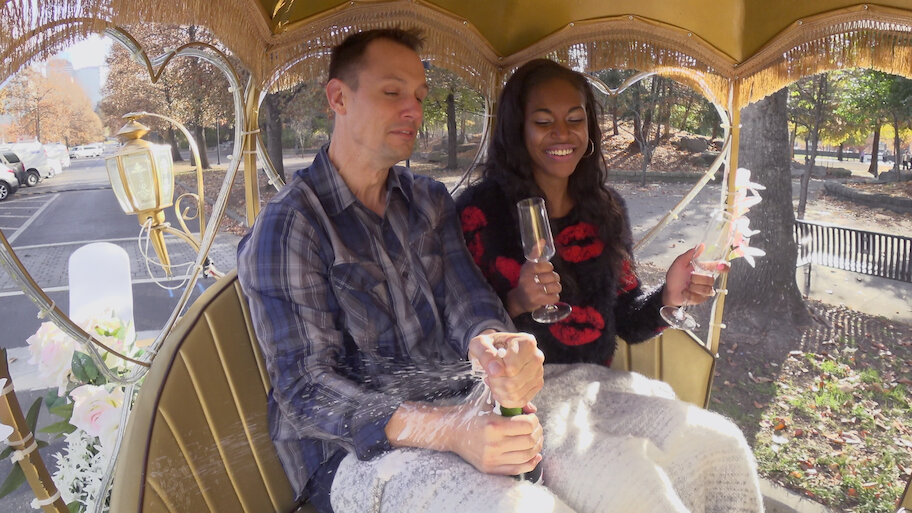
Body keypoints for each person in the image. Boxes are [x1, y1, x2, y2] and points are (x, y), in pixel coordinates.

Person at [238, 28, 550, 513]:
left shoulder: (428, 200)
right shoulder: (291, 224)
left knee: (592, 463)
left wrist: (493, 347)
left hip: (458, 412)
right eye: (392, 92)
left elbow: (469, 300)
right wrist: (449, 431)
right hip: (349, 457)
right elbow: (306, 388)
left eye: (420, 96)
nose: (413, 110)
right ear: (338, 98)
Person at [455, 58, 765, 512]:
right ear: (516, 129)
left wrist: (669, 295)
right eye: (543, 121)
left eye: (575, 119)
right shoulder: (479, 213)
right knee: (635, 490)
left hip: (597, 388)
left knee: (722, 442)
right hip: (516, 400)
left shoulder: (605, 209)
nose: (562, 133)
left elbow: (626, 318)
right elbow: (454, 327)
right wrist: (516, 302)